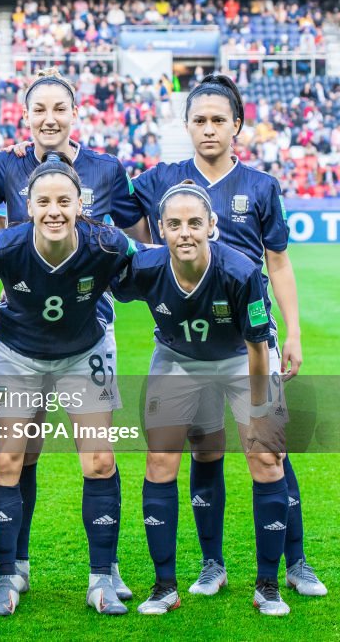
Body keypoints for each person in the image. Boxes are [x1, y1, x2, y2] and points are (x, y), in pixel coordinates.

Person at [126, 73, 326, 598]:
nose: (209, 129)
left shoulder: (261, 186)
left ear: (237, 126)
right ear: (186, 125)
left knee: (270, 449)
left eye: (219, 120)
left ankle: (296, 561)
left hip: (249, 340)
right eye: (200, 120)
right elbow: (107, 211)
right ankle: (211, 564)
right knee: (204, 448)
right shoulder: (156, 181)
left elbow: (278, 265)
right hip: (184, 344)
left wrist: (294, 333)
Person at [0, 68, 142, 600]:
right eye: (39, 110)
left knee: (100, 457)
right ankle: (11, 570)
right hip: (20, 334)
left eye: (58, 108)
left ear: (75, 113)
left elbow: (136, 237)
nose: (48, 118)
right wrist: (15, 242)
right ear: (25, 117)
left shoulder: (107, 168)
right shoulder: (6, 164)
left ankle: (103, 576)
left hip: (87, 334)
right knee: (17, 455)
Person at [114, 182, 291, 616]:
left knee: (266, 458)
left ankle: (268, 584)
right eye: (174, 224)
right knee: (163, 461)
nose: (185, 233)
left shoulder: (242, 271)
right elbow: (104, 277)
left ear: (212, 225)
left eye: (195, 223)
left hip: (240, 359)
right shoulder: (147, 267)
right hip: (177, 359)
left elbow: (256, 349)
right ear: (160, 229)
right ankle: (168, 584)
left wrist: (259, 412)